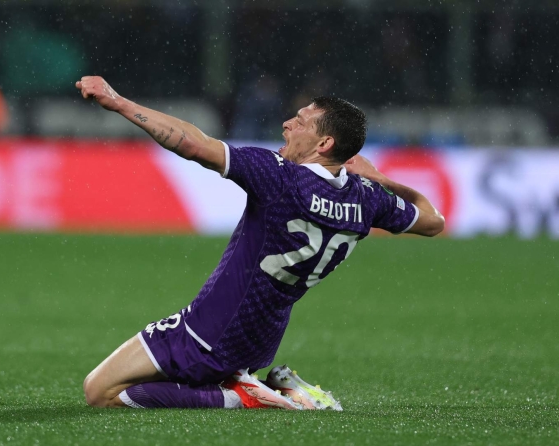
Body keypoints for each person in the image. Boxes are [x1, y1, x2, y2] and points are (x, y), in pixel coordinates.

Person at [76, 76, 445, 410]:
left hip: (208, 332)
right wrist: (380, 177)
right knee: (143, 386)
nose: (287, 124)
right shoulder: (368, 199)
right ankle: (256, 385)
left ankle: (238, 396)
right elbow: (433, 221)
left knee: (101, 392)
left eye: (300, 121)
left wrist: (119, 103)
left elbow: (194, 144)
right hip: (260, 342)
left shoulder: (279, 177)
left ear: (324, 143)